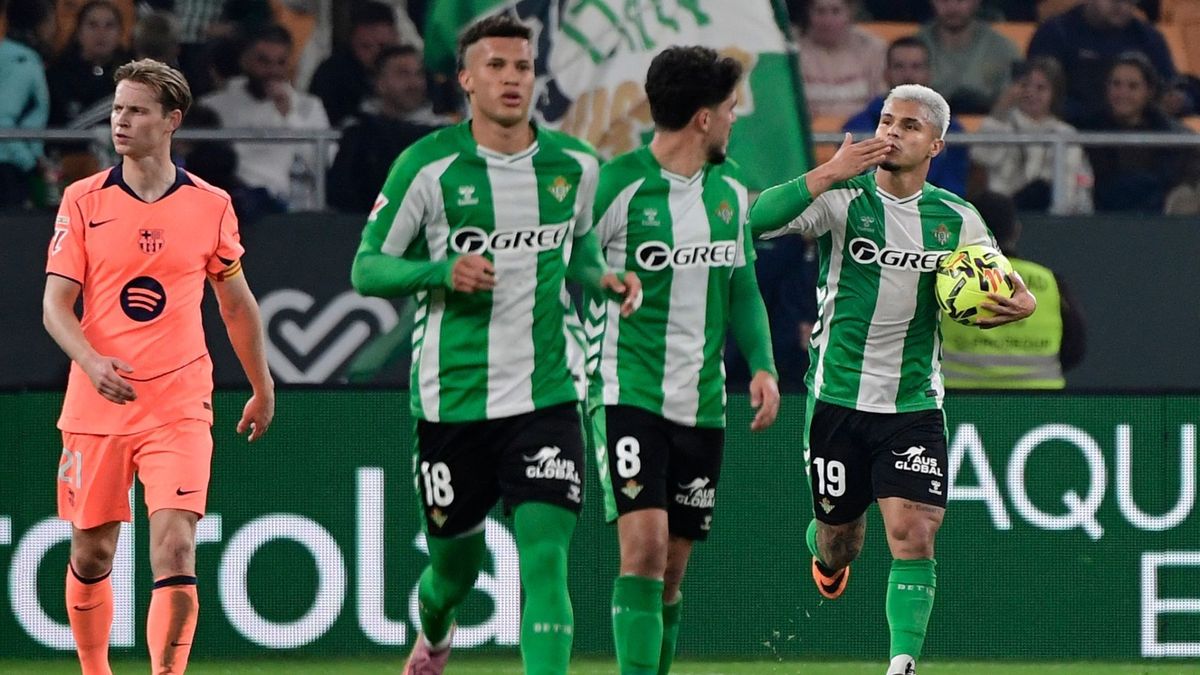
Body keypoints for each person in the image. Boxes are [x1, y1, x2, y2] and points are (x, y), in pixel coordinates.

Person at [349, 15, 640, 675]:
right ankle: (435, 628)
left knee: (544, 559)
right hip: (451, 398)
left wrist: (605, 277)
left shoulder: (575, 165)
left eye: (522, 67)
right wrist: (438, 270)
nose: (512, 79)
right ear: (465, 79)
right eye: (496, 66)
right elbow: (367, 268)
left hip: (547, 391)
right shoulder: (426, 165)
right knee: (454, 570)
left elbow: (583, 249)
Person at [748, 83, 1037, 675]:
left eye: (907, 125)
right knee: (842, 539)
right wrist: (826, 172)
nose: (891, 132)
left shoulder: (957, 218)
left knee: (913, 533)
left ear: (936, 142)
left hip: (913, 402)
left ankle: (901, 663)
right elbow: (753, 220)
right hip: (837, 399)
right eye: (885, 120)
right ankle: (825, 554)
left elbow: (1005, 285)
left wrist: (1021, 302)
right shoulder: (842, 199)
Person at [42, 58, 274, 675]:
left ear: (171, 121)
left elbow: (235, 303)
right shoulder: (83, 200)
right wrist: (91, 363)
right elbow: (55, 306)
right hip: (98, 401)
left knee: (175, 546)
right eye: (118, 107)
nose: (121, 119)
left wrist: (261, 384)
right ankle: (96, 671)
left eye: (136, 109)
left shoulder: (210, 204)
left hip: (179, 400)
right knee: (92, 552)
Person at [586, 46, 780, 675]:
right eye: (729, 110)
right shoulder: (618, 182)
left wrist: (762, 365)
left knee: (671, 569)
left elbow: (743, 286)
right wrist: (603, 279)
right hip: (625, 389)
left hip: (701, 402)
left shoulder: (730, 190)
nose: (734, 121)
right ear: (703, 118)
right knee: (641, 550)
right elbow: (568, 259)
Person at [940, 191, 1086, 388]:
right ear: (1016, 230)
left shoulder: (946, 280)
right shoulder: (1049, 281)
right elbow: (1075, 348)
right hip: (1039, 403)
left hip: (959, 402)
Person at [200, 23, 331, 208]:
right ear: (244, 60)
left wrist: (288, 115)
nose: (273, 71)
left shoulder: (309, 106)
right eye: (263, 61)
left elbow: (322, 163)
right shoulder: (214, 106)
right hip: (231, 207)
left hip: (294, 210)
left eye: (281, 62)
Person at [843, 37, 969, 197]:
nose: (908, 74)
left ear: (929, 73)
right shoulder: (856, 127)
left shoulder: (952, 130)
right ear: (886, 74)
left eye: (916, 67)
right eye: (899, 66)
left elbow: (952, 190)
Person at [327, 45, 445, 213]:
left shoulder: (442, 133)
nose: (414, 83)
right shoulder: (358, 133)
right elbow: (342, 195)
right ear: (379, 83)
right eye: (402, 74)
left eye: (418, 74)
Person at [971, 56, 1094, 214]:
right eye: (1025, 86)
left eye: (1040, 88)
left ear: (1054, 93)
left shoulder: (1065, 133)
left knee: (1040, 191)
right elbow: (980, 158)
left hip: (1053, 218)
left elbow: (1077, 184)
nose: (1031, 93)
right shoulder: (1002, 124)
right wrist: (1001, 108)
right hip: (1003, 213)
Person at [1074, 51, 1191, 213]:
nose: (1123, 93)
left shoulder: (1173, 136)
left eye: (1133, 86)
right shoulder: (1086, 131)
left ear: (1149, 92)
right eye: (1116, 84)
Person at [1027, 0, 1179, 122]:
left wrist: (1178, 99)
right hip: (1071, 131)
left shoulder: (1148, 38)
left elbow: (1171, 85)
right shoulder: (1056, 33)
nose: (1122, 7)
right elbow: (1037, 94)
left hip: (1135, 132)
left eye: (1130, 2)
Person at [917, 0, 1021, 114]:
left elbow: (1015, 97)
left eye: (960, 1)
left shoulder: (1003, 48)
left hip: (989, 127)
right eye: (944, 0)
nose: (952, 7)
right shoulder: (913, 47)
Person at [309, 0, 400, 126]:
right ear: (352, 42)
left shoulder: (413, 72)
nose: (376, 54)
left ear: (396, 39)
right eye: (366, 47)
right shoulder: (332, 76)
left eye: (383, 46)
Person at [795, 0, 887, 119]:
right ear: (808, 13)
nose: (827, 21)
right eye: (820, 11)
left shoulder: (874, 48)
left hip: (861, 131)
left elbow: (880, 102)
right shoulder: (792, 49)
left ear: (850, 13)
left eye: (836, 11)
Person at [0, 0, 53, 207]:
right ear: (41, 24)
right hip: (8, 171)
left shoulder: (8, 56)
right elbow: (3, 120)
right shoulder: (23, 63)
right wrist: (31, 164)